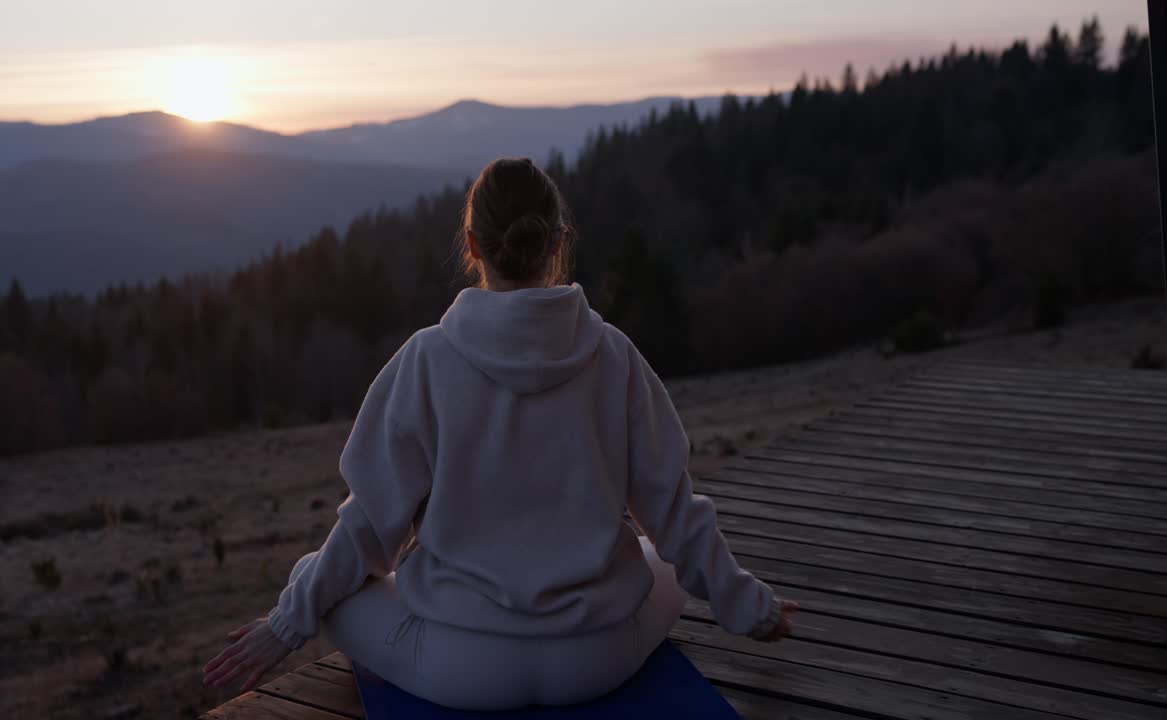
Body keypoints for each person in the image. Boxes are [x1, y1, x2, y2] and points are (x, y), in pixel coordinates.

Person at [202, 157, 797, 710]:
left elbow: (365, 532)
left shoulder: (425, 361)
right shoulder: (614, 356)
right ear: (558, 243)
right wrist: (751, 607)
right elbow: (675, 516)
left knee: (316, 574)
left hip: (462, 668)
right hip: (596, 658)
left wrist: (283, 627)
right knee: (659, 562)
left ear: (471, 246)